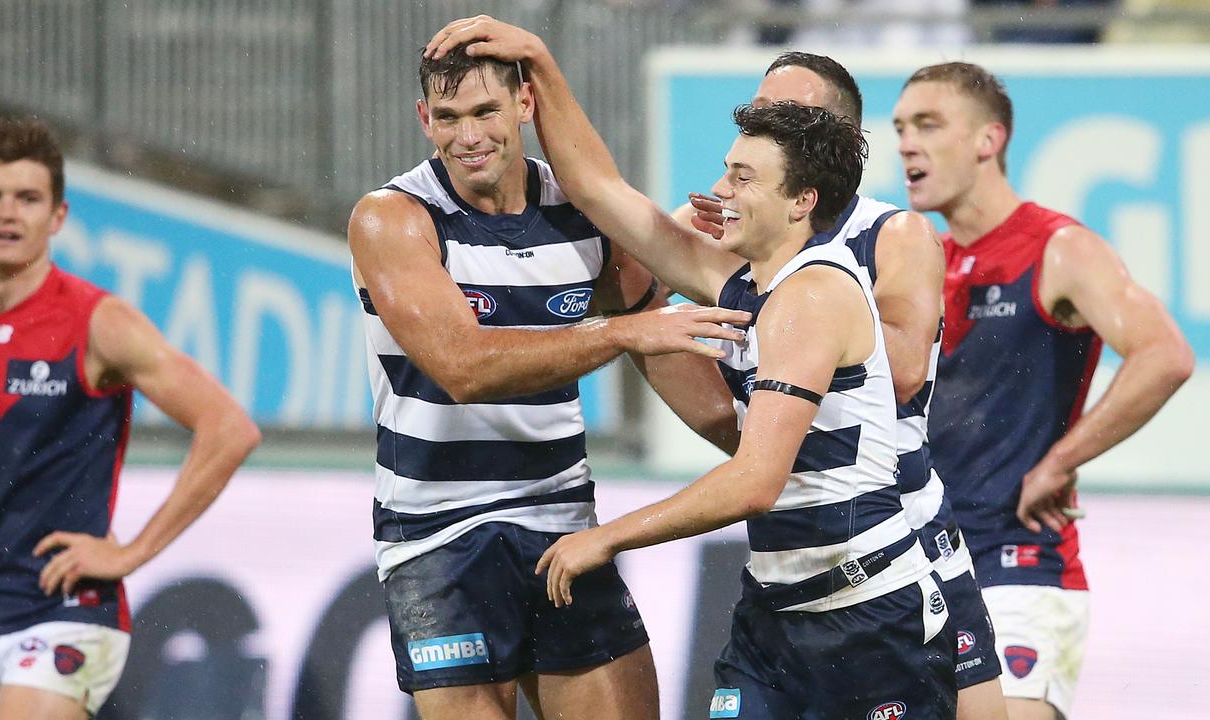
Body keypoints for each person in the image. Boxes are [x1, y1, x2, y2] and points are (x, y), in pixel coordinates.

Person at [427, 19, 957, 719]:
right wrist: (540, 64)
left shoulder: (815, 294)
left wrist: (607, 536)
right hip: (775, 608)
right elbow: (603, 193)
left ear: (802, 201)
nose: (718, 190)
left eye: (743, 178)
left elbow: (755, 481)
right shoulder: (744, 280)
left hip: (867, 610)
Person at [347, 42, 749, 720]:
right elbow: (463, 367)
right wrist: (616, 331)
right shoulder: (392, 218)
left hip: (562, 523)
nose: (467, 137)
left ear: (525, 106)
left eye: (485, 111)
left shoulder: (584, 212)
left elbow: (660, 343)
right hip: (438, 540)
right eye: (447, 117)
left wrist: (759, 450)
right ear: (423, 118)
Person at [679, 52, 1007, 720]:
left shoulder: (873, 243)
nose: (769, 124)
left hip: (901, 554)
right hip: (785, 586)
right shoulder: (753, 264)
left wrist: (814, 313)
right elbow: (625, 226)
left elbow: (905, 374)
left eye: (788, 115)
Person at [0, 118, 261, 720]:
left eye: (28, 198)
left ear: (57, 217)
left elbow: (230, 427)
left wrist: (130, 552)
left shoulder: (97, 322)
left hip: (70, 609)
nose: (8, 213)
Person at [893, 62, 1194, 720]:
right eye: (900, 128)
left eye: (927, 124)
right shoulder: (921, 261)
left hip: (1018, 561)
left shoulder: (1058, 247)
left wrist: (1062, 460)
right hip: (913, 566)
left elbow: (1165, 355)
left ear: (988, 140)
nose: (905, 143)